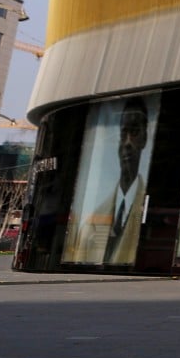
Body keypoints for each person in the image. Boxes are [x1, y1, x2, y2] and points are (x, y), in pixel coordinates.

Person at [73, 96, 149, 265]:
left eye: (135, 132)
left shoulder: (149, 211)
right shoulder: (91, 222)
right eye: (123, 133)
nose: (127, 142)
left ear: (145, 139)